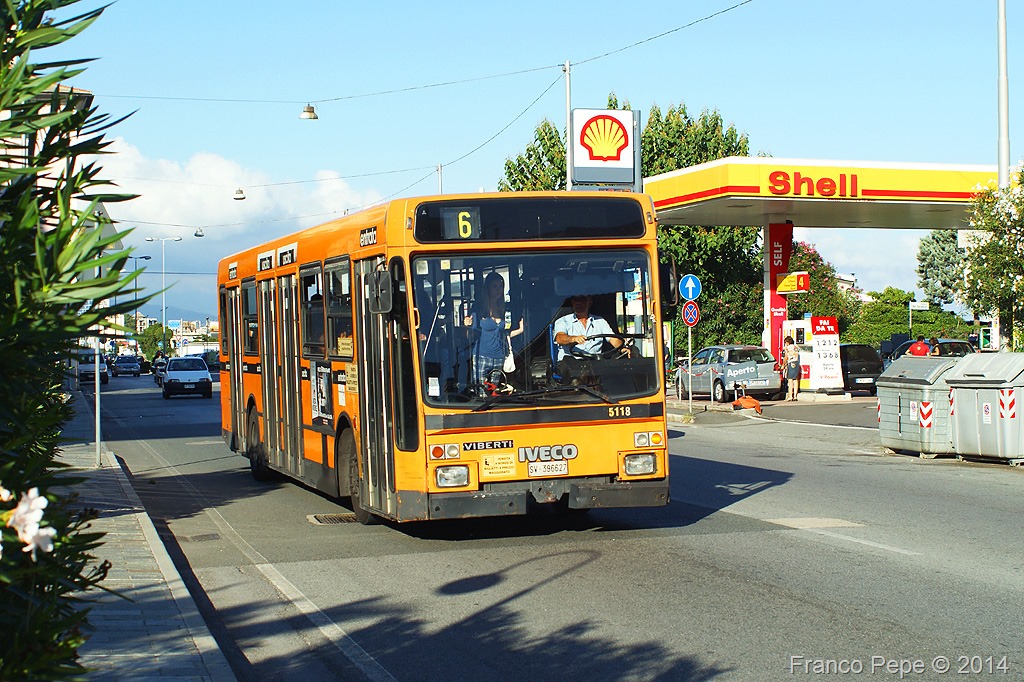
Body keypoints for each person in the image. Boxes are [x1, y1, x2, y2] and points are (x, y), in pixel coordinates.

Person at [464, 272, 521, 389]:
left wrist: (521, 329)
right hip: (482, 356)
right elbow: (470, 334)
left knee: (493, 392)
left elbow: (505, 334)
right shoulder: (479, 308)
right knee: (481, 391)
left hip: (499, 356)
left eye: (500, 286)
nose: (498, 290)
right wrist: (467, 325)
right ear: (488, 288)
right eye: (494, 286)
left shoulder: (504, 308)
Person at [553, 294, 622, 361]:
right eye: (576, 300)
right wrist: (573, 338)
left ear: (589, 303)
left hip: (595, 363)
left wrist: (621, 348)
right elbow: (560, 338)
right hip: (570, 365)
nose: (579, 303)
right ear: (572, 302)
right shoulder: (563, 321)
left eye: (583, 299)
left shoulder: (600, 321)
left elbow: (613, 339)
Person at [783, 335, 801, 401]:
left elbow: (786, 357)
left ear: (787, 342)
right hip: (796, 363)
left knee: (790, 380)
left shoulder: (787, 348)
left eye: (785, 342)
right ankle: (795, 396)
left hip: (791, 363)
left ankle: (790, 396)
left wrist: (783, 365)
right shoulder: (796, 347)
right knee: (796, 380)